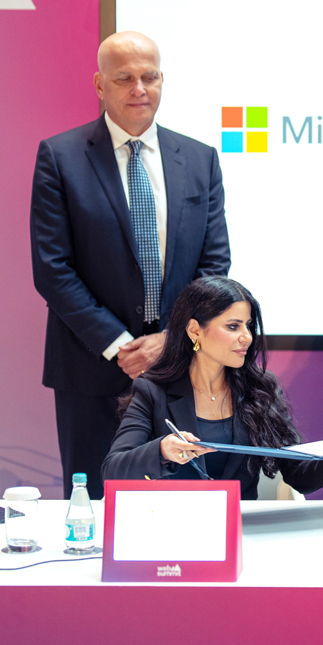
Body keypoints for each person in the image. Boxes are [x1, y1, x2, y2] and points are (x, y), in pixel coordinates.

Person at [31, 31, 230, 498]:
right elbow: (52, 268)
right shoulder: (60, 157)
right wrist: (121, 346)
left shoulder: (200, 159)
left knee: (180, 503)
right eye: (124, 78)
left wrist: (171, 340)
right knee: (97, 503)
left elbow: (214, 265)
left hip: (181, 365)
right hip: (91, 368)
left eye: (149, 76)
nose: (139, 88)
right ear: (101, 85)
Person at [102, 277, 323, 497]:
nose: (247, 337)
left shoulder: (262, 388)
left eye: (249, 326)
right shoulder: (152, 390)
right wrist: (161, 450)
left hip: (242, 530)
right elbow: (113, 469)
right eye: (233, 326)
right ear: (195, 331)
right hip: (174, 527)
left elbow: (299, 473)